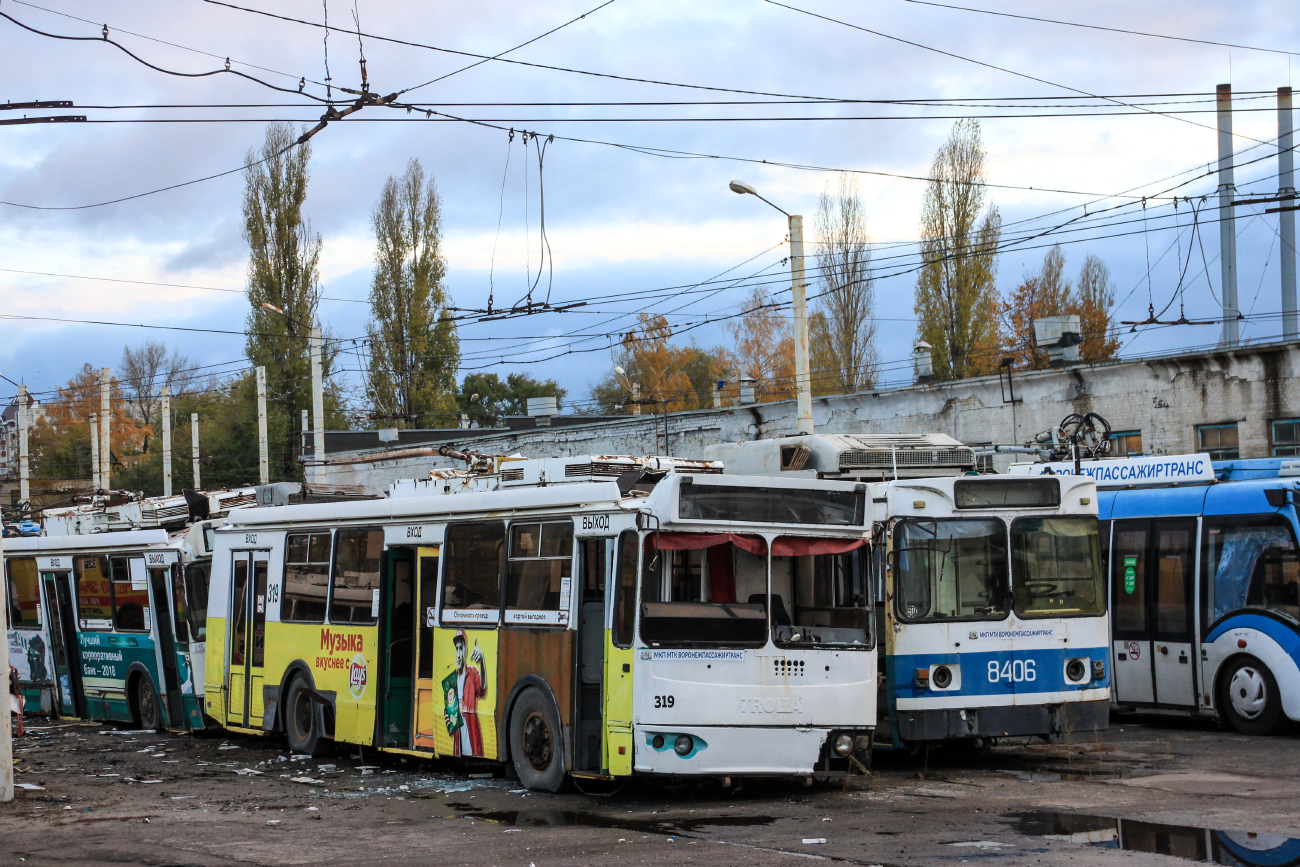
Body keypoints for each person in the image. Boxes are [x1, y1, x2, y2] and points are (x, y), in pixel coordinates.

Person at [449, 629, 487, 756]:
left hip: (471, 734)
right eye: (457, 649)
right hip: (458, 734)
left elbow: (482, 689)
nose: (459, 654)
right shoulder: (451, 681)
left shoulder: (473, 673)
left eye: (461, 648)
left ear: (466, 650)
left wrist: (482, 662)